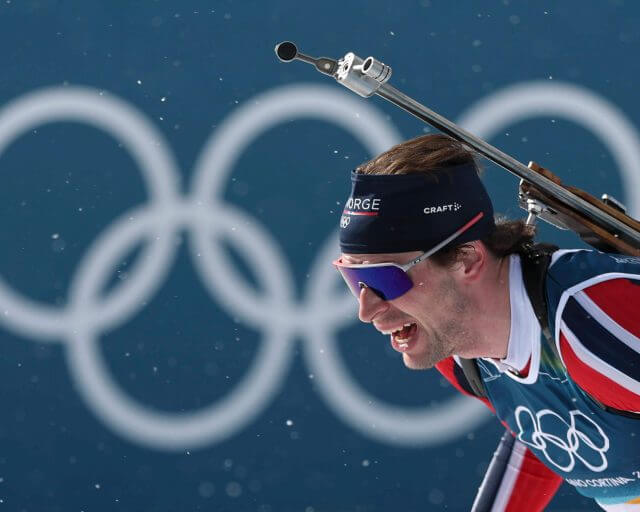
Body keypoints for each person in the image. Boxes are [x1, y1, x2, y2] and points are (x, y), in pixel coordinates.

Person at [334, 134, 640, 511]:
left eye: (384, 279)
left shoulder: (592, 323)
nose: (366, 310)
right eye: (353, 279)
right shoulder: (459, 351)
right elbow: (552, 430)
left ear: (467, 259)